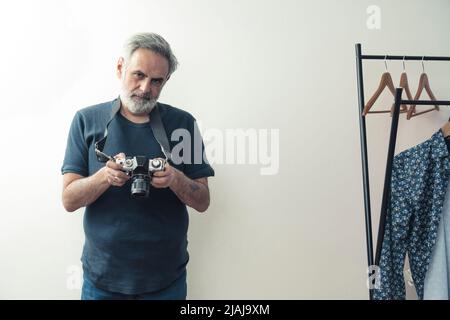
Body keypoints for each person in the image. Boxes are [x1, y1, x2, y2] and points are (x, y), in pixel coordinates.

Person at [61, 33, 214, 300]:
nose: (145, 88)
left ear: (166, 80)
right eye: (138, 75)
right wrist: (104, 177)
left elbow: (202, 201)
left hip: (166, 280)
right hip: (102, 281)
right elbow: (69, 200)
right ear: (121, 68)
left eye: (157, 81)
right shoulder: (87, 120)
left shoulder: (183, 124)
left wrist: (174, 178)